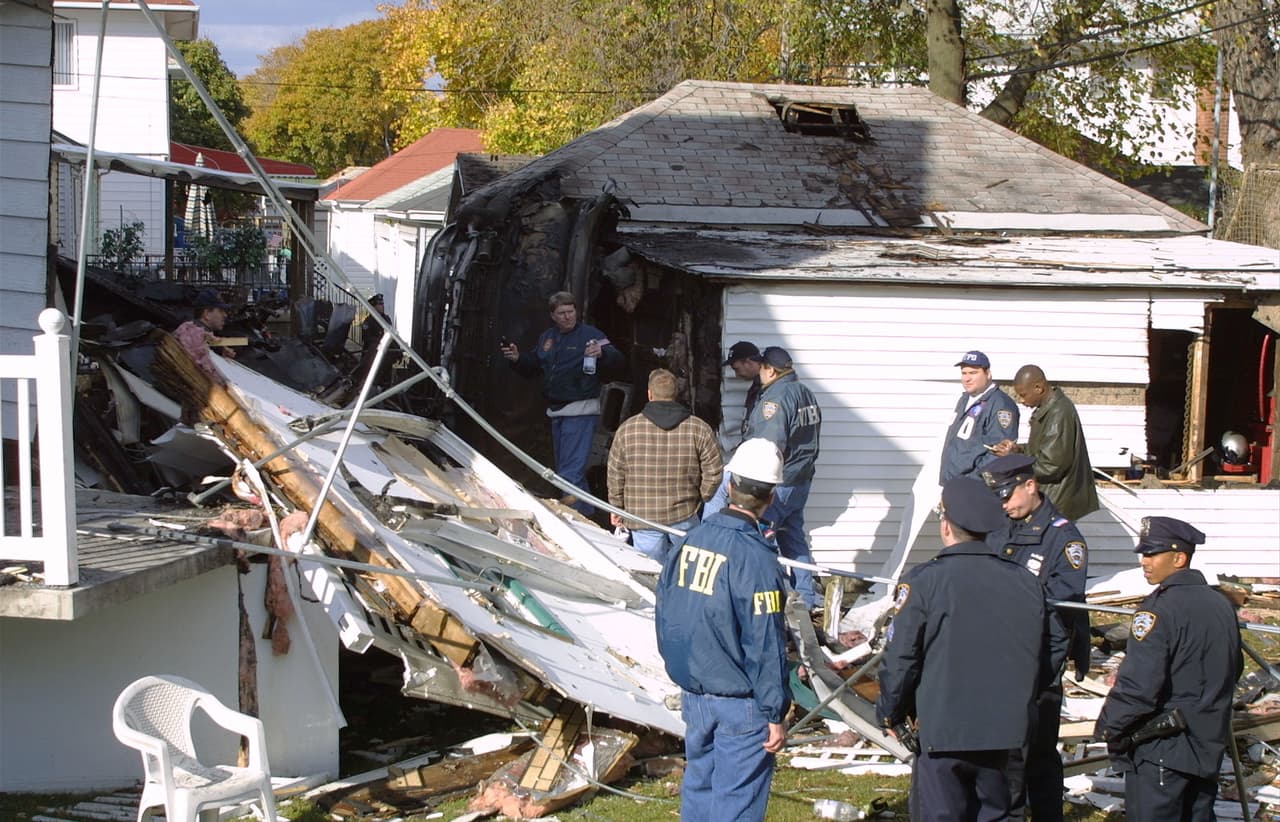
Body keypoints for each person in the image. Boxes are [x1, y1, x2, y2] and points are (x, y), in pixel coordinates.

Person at [876, 474, 1053, 822]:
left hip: (944, 731)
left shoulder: (925, 582)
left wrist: (890, 712)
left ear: (946, 526)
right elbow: (1046, 651)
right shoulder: (1025, 583)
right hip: (1006, 731)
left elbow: (902, 657)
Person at [655, 438, 791, 822]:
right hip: (740, 701)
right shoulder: (757, 559)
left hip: (696, 692)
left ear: (729, 484)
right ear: (771, 496)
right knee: (736, 801)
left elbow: (667, 611)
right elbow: (765, 642)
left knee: (699, 789)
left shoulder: (690, 540)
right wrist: (774, 710)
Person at [1094, 517, 1243, 822]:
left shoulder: (1158, 610)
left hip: (1163, 746)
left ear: (1179, 558)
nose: (1144, 562)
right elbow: (1234, 667)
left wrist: (1110, 727)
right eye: (1144, 554)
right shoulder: (1220, 604)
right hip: (1207, 741)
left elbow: (1139, 687)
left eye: (1152, 554)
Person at [983, 453, 1090, 822]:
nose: (1004, 504)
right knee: (1003, 750)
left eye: (1008, 495)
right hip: (996, 655)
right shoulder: (999, 526)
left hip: (1038, 659)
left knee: (1039, 750)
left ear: (1031, 485)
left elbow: (1066, 603)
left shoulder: (1063, 537)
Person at [502, 291, 622, 514]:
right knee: (567, 472)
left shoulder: (590, 334)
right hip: (556, 411)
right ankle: (587, 515)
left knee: (569, 474)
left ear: (576, 311)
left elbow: (617, 359)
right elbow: (535, 365)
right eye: (562, 313)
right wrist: (518, 359)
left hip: (580, 411)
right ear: (553, 315)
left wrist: (602, 354)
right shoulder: (547, 338)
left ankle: (574, 519)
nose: (567, 316)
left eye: (571, 311)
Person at [607, 369, 722, 562]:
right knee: (686, 571)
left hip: (641, 516)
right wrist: (702, 497)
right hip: (684, 514)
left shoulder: (627, 429)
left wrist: (617, 507)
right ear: (676, 394)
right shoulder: (698, 428)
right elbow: (715, 470)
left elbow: (615, 473)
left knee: (650, 571)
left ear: (649, 394)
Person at [742, 346, 822, 609]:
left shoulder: (775, 398)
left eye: (762, 368)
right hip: (801, 479)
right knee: (794, 538)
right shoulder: (806, 393)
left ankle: (771, 599)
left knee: (762, 539)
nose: (760, 373)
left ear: (771, 370)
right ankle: (807, 597)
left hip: (780, 481)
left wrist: (760, 487)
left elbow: (770, 446)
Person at [992, 364, 1099, 522]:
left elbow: (1050, 466)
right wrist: (1017, 450)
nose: (1021, 401)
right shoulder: (1048, 409)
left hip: (1057, 501)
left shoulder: (1059, 413)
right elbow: (1042, 450)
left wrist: (1015, 462)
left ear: (1038, 387)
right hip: (1052, 498)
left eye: (1023, 395)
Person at [940, 350, 1019, 483]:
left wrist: (973, 480)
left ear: (988, 374)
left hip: (973, 488)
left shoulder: (1001, 405)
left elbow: (998, 453)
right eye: (964, 373)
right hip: (953, 484)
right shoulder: (965, 399)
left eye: (973, 373)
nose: (967, 378)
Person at [173, 288, 235, 386]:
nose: (225, 315)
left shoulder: (194, 330)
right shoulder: (193, 335)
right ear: (207, 314)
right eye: (221, 311)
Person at [353, 293, 393, 390]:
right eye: (379, 304)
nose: (382, 306)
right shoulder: (368, 322)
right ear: (374, 307)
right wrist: (380, 341)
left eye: (382, 304)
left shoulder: (386, 319)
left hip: (386, 353)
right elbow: (367, 339)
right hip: (373, 353)